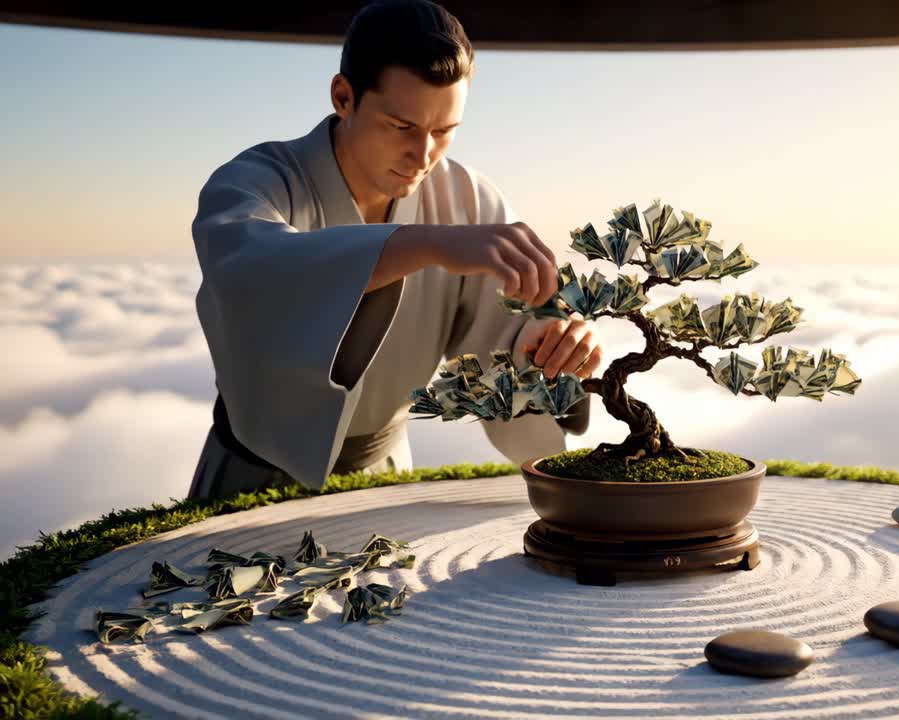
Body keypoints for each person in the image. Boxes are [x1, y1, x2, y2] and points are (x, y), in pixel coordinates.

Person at [186, 0, 601, 500]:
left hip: (385, 475)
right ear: (344, 96)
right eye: (401, 127)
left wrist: (552, 344)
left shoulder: (469, 200)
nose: (423, 155)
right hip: (250, 479)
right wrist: (425, 243)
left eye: (444, 132)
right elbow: (250, 278)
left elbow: (504, 342)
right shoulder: (256, 182)